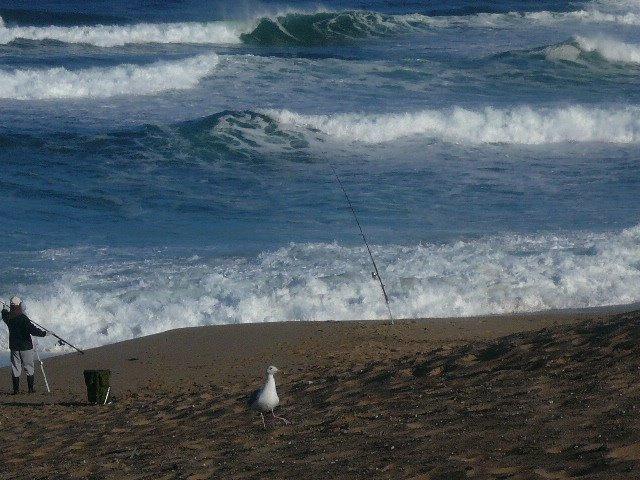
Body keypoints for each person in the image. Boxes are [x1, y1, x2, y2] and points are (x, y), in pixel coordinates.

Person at [2, 296, 47, 394]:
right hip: (25, 347)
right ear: (20, 305)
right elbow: (33, 330)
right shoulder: (23, 318)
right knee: (29, 367)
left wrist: (4, 308)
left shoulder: (8, 317)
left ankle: (16, 390)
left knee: (15, 368)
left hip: (14, 347)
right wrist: (44, 333)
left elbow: (4, 314)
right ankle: (31, 389)